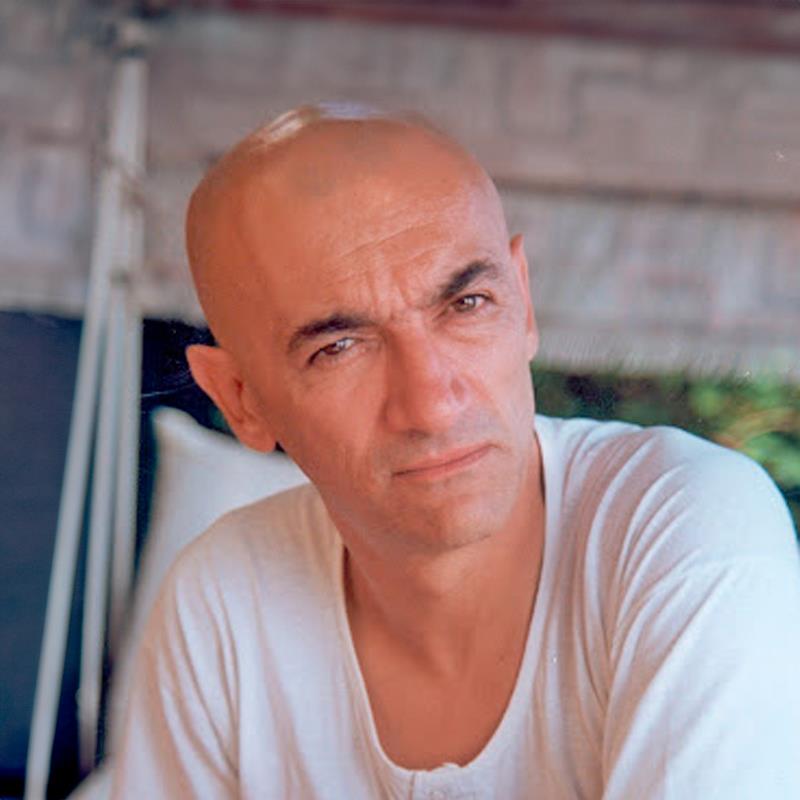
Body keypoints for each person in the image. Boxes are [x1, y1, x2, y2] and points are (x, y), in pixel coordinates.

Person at [113, 104, 800, 799]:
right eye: (339, 347)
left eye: (467, 304)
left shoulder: (686, 525)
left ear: (522, 302)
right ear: (240, 399)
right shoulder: (222, 606)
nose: (432, 405)